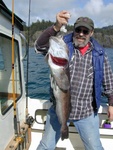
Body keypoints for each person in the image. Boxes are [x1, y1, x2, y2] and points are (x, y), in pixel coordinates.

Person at [34, 10, 113, 150]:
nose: (81, 34)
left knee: (95, 148)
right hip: (58, 107)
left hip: (86, 113)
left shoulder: (100, 54)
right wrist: (56, 27)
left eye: (85, 31)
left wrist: (111, 103)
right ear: (74, 30)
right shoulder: (63, 45)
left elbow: (109, 82)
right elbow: (39, 47)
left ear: (91, 33)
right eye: (78, 30)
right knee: (45, 146)